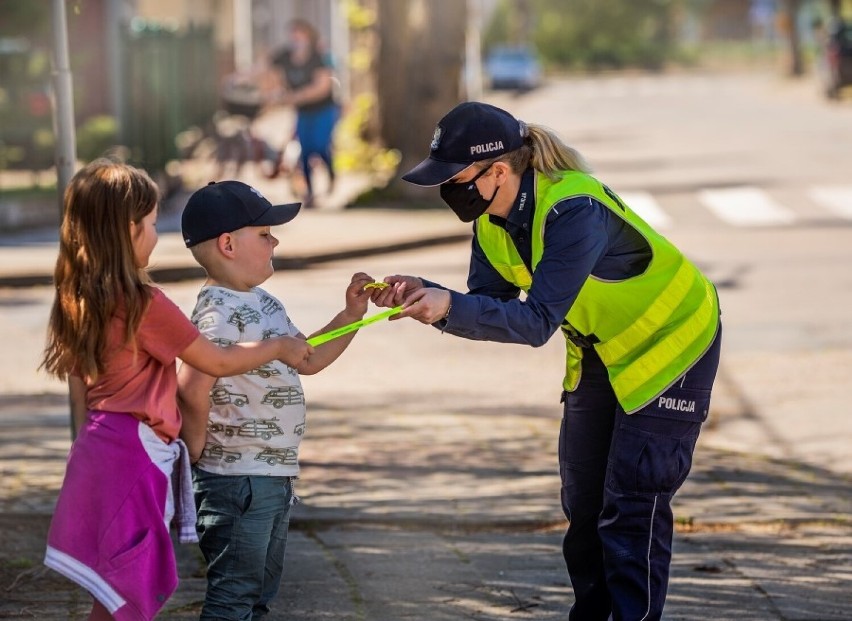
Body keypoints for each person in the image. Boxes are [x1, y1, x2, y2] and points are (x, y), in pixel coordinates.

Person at [370, 102, 722, 621]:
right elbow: (488, 302)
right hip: (602, 349)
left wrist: (449, 308)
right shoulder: (491, 219)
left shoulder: (573, 210)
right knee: (583, 508)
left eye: (455, 177)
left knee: (631, 506)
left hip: (673, 344)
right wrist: (427, 294)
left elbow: (535, 322)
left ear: (498, 171)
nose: (448, 189)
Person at [39, 160, 314, 621]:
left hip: (96, 450)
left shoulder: (78, 298)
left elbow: (78, 394)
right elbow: (215, 362)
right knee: (132, 592)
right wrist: (278, 346)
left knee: (111, 590)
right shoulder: (145, 303)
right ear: (128, 230)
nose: (156, 235)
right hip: (134, 453)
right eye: (149, 224)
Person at [176, 180, 373, 620]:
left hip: (270, 475)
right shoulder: (217, 312)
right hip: (236, 478)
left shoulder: (263, 303)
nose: (275, 240)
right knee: (234, 595)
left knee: (259, 591)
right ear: (227, 244)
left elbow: (307, 357)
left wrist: (350, 316)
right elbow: (191, 386)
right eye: (264, 234)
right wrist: (194, 449)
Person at [270, 18, 340, 207]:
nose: (296, 39)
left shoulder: (319, 57)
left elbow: (322, 87)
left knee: (320, 145)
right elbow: (268, 71)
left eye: (300, 35)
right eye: (293, 35)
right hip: (302, 112)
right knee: (305, 150)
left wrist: (293, 97)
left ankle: (331, 172)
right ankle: (309, 192)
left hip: (324, 109)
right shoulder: (285, 56)